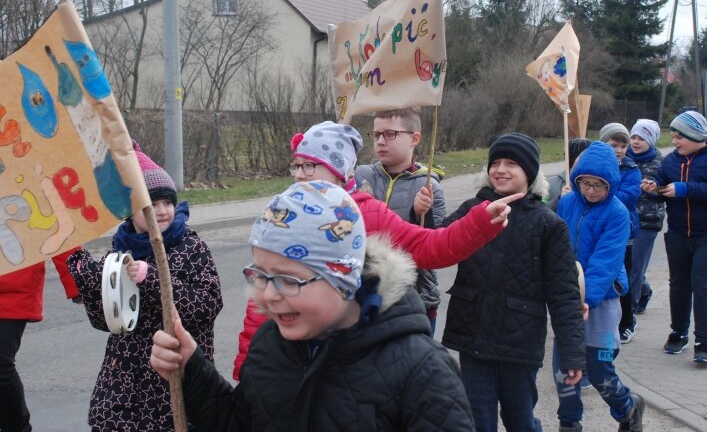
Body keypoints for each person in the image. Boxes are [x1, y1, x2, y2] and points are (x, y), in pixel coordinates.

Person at [150, 180, 477, 431]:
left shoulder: (423, 373)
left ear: (343, 277)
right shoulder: (270, 345)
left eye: (288, 279)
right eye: (260, 275)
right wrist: (192, 371)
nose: (268, 295)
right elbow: (244, 423)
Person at [233, 120, 517, 380]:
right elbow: (261, 301)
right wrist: (249, 365)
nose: (299, 175)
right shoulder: (284, 214)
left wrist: (480, 220)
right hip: (289, 358)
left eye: (310, 166)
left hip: (351, 358)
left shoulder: (366, 213)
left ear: (339, 172)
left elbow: (432, 247)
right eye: (296, 166)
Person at [67, 142, 223, 431]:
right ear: (130, 210)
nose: (162, 211)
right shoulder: (119, 251)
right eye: (150, 205)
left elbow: (206, 306)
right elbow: (107, 321)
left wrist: (150, 278)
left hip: (171, 376)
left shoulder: (191, 247)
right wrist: (88, 276)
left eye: (167, 202)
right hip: (124, 378)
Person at [440, 133, 585, 432]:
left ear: (529, 173)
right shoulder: (471, 209)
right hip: (473, 336)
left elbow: (563, 294)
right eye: (495, 163)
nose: (501, 170)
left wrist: (572, 353)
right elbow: (438, 245)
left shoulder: (548, 224)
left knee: (520, 421)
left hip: (519, 345)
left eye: (511, 164)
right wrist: (422, 212)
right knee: (477, 422)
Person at [554, 141, 645, 432]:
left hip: (602, 299)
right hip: (569, 299)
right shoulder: (567, 202)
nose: (591, 191)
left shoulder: (617, 214)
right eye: (585, 184)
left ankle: (627, 408)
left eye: (598, 185)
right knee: (564, 369)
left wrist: (587, 298)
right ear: (576, 180)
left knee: (599, 367)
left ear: (611, 184)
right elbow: (553, 245)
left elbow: (605, 261)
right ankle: (569, 422)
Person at [641, 111, 707, 364]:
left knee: (703, 284)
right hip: (679, 232)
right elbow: (662, 190)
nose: (675, 141)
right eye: (673, 136)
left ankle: (703, 341)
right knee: (679, 285)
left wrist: (684, 189)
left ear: (695, 135)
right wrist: (651, 190)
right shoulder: (671, 161)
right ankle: (678, 333)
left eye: (679, 136)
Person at [356, 107, 442, 333]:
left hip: (413, 298)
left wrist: (421, 214)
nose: (380, 141)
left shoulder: (429, 187)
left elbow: (436, 247)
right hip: (364, 294)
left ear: (414, 138)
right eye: (376, 135)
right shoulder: (361, 176)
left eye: (390, 134)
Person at [0, 250, 79, 432]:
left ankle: (18, 428)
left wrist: (77, 281)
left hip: (13, 287)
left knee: (1, 367)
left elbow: (57, 230)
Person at [599, 123, 641, 344]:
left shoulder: (631, 169)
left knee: (621, 278)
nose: (619, 150)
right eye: (614, 144)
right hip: (597, 230)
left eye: (623, 145)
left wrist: (601, 192)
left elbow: (630, 196)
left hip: (624, 233)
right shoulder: (594, 165)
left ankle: (627, 322)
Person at [627, 119, 665, 317]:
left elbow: (666, 191)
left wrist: (654, 189)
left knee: (635, 267)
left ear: (651, 140)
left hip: (647, 221)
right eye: (633, 136)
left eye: (641, 138)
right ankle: (644, 290)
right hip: (624, 219)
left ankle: (628, 315)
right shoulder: (622, 159)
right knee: (625, 266)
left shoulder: (661, 162)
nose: (635, 141)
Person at [546, 138, 592, 211]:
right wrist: (559, 200)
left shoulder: (595, 184)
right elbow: (538, 214)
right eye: (582, 157)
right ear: (571, 160)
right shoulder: (549, 185)